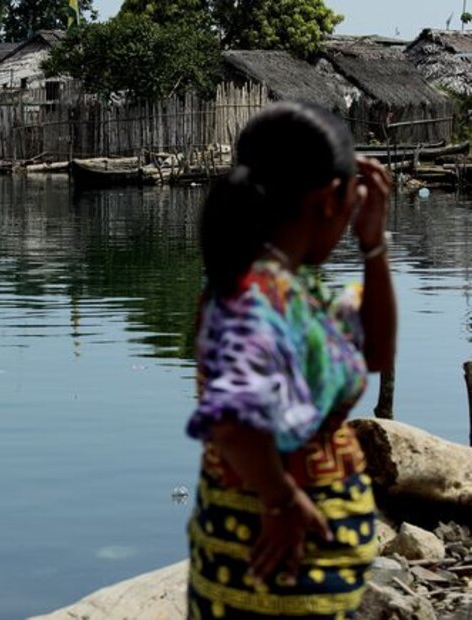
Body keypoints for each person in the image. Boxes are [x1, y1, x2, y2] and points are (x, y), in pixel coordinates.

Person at [186, 101, 396, 619]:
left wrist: (374, 246)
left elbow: (376, 353)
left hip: (297, 574)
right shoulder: (254, 299)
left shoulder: (293, 290)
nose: (352, 214)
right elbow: (234, 416)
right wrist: (281, 501)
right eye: (351, 202)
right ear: (328, 200)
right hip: (272, 572)